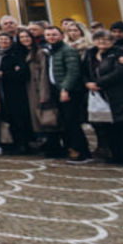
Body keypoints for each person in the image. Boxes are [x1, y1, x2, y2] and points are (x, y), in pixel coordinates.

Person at [89, 27, 123, 168]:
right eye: (99, 39)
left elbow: (121, 72)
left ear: (112, 41)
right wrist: (87, 83)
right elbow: (85, 71)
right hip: (102, 96)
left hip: (121, 94)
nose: (102, 42)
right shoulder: (91, 54)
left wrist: (99, 83)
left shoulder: (118, 53)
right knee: (109, 127)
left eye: (106, 39)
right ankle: (116, 155)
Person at [45, 26, 91, 164]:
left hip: (69, 91)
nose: (51, 37)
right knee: (65, 122)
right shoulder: (52, 51)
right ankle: (72, 149)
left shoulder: (68, 50)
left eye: (54, 34)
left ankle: (81, 152)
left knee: (72, 122)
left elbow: (73, 72)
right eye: (48, 35)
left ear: (61, 35)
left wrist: (65, 89)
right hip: (57, 89)